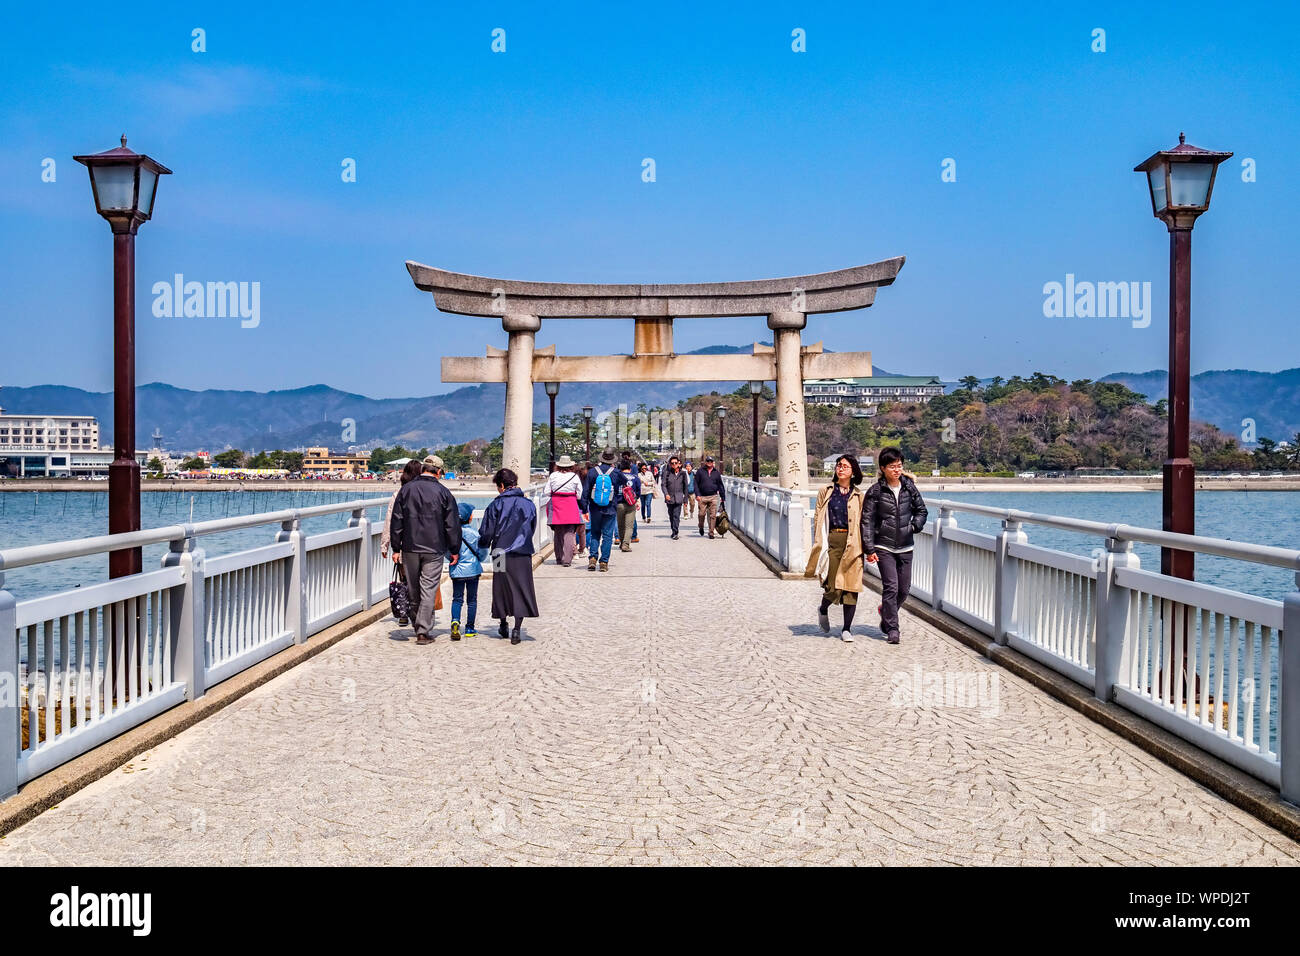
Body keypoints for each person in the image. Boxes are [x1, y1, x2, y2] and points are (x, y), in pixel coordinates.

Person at [390, 454, 462, 645]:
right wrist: (455, 548)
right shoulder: (444, 493)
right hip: (434, 548)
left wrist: (396, 548)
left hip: (410, 547)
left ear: (423, 469)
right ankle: (423, 631)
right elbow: (452, 524)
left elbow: (397, 520)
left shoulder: (406, 490)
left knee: (413, 589)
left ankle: (417, 625)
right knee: (428, 589)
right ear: (439, 472)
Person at [863, 446, 928, 645]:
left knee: (904, 589)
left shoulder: (909, 487)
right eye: (892, 467)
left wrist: (915, 526)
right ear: (883, 468)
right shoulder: (876, 491)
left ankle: (886, 611)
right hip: (884, 546)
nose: (897, 470)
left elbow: (921, 510)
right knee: (891, 587)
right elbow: (867, 521)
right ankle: (892, 629)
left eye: (899, 466)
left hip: (906, 545)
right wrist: (870, 549)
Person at [805, 453, 866, 642]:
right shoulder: (826, 490)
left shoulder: (859, 496)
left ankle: (847, 629)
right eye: (839, 465)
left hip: (853, 543)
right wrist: (818, 541)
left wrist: (868, 548)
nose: (840, 468)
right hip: (832, 539)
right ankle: (823, 608)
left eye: (845, 466)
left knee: (851, 587)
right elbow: (817, 516)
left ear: (853, 471)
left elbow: (864, 522)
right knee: (832, 585)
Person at [478, 468, 538, 644]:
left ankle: (503, 622)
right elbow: (531, 528)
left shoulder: (495, 505)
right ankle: (517, 629)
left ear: (502, 485)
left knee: (500, 587)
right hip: (522, 551)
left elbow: (486, 531)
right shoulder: (528, 505)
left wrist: (482, 546)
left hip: (499, 552)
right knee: (521, 587)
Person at [380, 459, 423, 625]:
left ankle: (405, 612)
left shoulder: (399, 493)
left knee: (405, 580)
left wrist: (386, 544)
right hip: (423, 543)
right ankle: (419, 614)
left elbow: (390, 520)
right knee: (420, 581)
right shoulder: (423, 492)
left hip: (403, 545)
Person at [449, 502, 488, 640]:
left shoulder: (452, 534)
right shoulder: (474, 533)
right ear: (469, 518)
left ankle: (455, 621)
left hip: (457, 570)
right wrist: (479, 559)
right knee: (472, 600)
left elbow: (447, 552)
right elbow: (482, 553)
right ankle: (470, 628)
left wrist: (451, 559)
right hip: (473, 570)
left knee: (457, 598)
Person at [545, 455, 584, 566]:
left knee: (558, 532)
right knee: (569, 532)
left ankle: (559, 558)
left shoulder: (553, 476)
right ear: (571, 466)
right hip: (570, 504)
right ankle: (567, 559)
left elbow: (547, 491)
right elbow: (580, 494)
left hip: (556, 504)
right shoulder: (574, 477)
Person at [693, 455, 726, 538]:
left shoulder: (716, 472)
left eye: (711, 461)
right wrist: (697, 494)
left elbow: (720, 485)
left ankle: (711, 532)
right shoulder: (700, 471)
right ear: (705, 462)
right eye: (708, 461)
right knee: (701, 514)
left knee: (713, 515)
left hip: (713, 496)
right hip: (702, 496)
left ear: (713, 462)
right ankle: (701, 526)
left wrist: (723, 497)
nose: (709, 463)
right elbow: (696, 484)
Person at [659, 455, 689, 539]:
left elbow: (686, 487)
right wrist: (666, 494)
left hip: (679, 498)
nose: (674, 464)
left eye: (676, 463)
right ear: (670, 464)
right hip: (670, 498)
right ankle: (673, 530)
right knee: (671, 516)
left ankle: (675, 532)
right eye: (672, 463)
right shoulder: (667, 473)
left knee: (676, 516)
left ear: (679, 464)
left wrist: (685, 499)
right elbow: (663, 485)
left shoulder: (683, 474)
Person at [615, 459, 641, 551]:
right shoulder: (635, 478)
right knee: (629, 526)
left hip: (619, 504)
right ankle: (626, 544)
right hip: (631, 504)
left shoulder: (617, 477)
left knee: (620, 525)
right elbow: (638, 492)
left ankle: (622, 543)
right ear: (630, 468)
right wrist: (635, 500)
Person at [574, 461, 590, 557]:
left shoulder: (574, 478)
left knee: (574, 529)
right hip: (585, 507)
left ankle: (575, 548)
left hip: (574, 506)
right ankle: (584, 548)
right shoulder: (587, 479)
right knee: (586, 529)